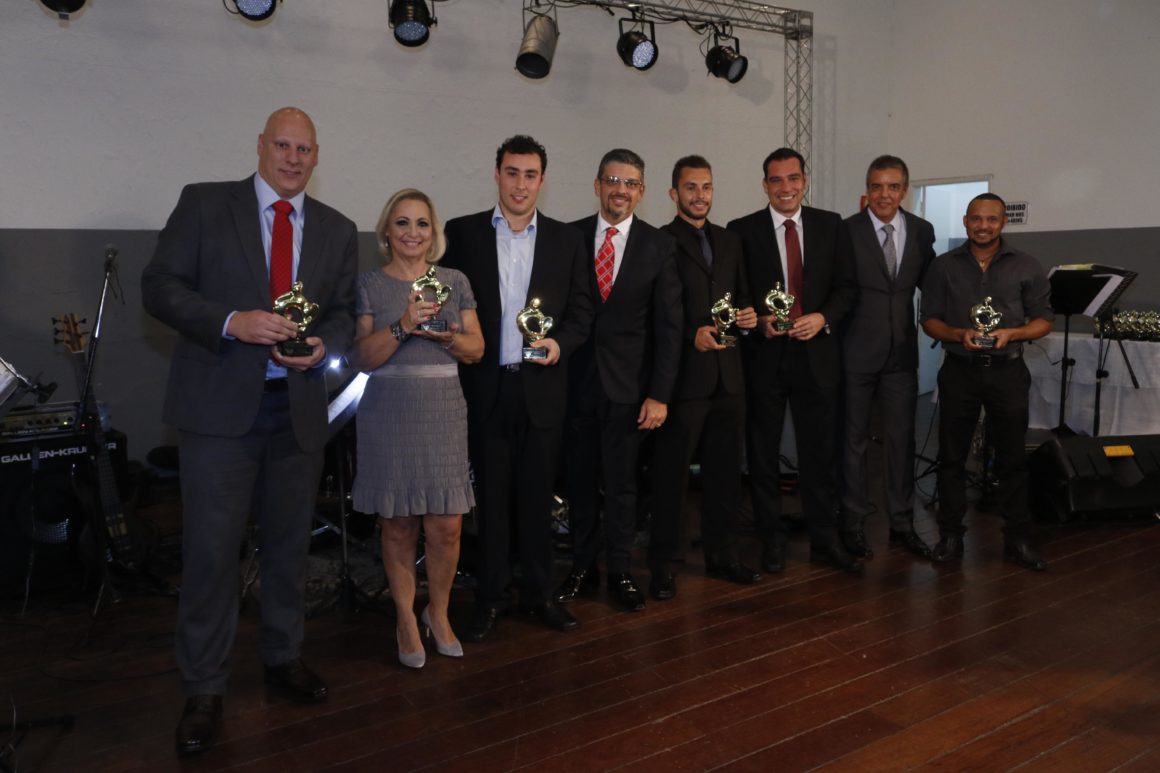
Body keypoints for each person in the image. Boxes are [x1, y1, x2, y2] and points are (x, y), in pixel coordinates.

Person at [141, 107, 357, 756]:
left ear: (316, 156)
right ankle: (204, 687)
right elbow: (159, 286)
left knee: (289, 548)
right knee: (211, 553)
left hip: (296, 413)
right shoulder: (206, 205)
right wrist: (231, 321)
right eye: (282, 145)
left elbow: (344, 313)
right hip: (218, 415)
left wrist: (323, 346)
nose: (292, 158)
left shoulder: (338, 229)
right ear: (261, 146)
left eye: (304, 149)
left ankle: (283, 656)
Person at [441, 135, 594, 642]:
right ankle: (490, 598)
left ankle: (540, 595)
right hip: (485, 388)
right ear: (497, 174)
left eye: (530, 175)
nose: (520, 184)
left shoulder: (567, 240)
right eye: (512, 172)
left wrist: (560, 344)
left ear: (542, 181)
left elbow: (582, 312)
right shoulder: (462, 234)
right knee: (490, 502)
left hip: (542, 389)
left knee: (537, 499)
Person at [348, 189, 483, 668]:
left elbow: (477, 349)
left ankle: (438, 612)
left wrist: (446, 337)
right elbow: (361, 357)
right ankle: (405, 618)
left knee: (446, 526)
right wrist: (404, 325)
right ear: (387, 231)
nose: (412, 232)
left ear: (433, 232)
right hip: (388, 412)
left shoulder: (454, 280)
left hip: (443, 409)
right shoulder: (369, 284)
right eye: (402, 223)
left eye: (422, 223)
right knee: (399, 523)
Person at [555, 148, 682, 613]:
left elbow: (669, 327)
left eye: (629, 183)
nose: (620, 190)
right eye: (612, 180)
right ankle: (582, 566)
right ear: (597, 185)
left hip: (630, 391)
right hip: (575, 385)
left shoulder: (658, 245)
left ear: (642, 192)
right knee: (579, 482)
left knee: (623, 485)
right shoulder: (567, 237)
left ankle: (621, 570)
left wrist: (660, 394)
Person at [727, 147, 860, 574]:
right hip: (763, 357)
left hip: (817, 357)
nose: (785, 187)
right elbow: (736, 292)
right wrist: (758, 322)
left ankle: (824, 539)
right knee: (762, 455)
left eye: (793, 178)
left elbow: (847, 288)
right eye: (776, 180)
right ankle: (771, 539)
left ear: (805, 181)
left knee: (819, 454)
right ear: (765, 185)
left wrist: (822, 318)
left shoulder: (831, 225)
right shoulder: (741, 230)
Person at [647, 155, 762, 599]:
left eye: (707, 187)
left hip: (729, 378)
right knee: (671, 477)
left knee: (726, 474)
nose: (700, 195)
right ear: (673, 193)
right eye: (691, 187)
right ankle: (664, 564)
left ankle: (723, 555)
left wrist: (749, 315)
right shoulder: (659, 241)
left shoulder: (730, 241)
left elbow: (743, 296)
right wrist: (691, 334)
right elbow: (657, 312)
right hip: (682, 381)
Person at [919, 193, 1052, 571]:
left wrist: (1014, 333)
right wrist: (958, 333)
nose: (983, 226)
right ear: (966, 221)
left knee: (1012, 459)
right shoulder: (943, 266)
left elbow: (1044, 320)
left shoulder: (1026, 265)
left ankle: (1017, 539)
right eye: (976, 218)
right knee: (951, 458)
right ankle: (950, 536)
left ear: (1002, 223)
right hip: (959, 371)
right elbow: (929, 319)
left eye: (991, 219)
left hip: (1007, 372)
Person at [839, 156, 936, 561]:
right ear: (867, 190)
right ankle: (852, 524)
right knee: (853, 442)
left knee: (901, 440)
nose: (884, 194)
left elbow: (934, 285)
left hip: (901, 356)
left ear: (904, 191)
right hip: (854, 354)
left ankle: (902, 524)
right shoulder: (846, 231)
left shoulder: (921, 231)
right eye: (877, 186)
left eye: (893, 187)